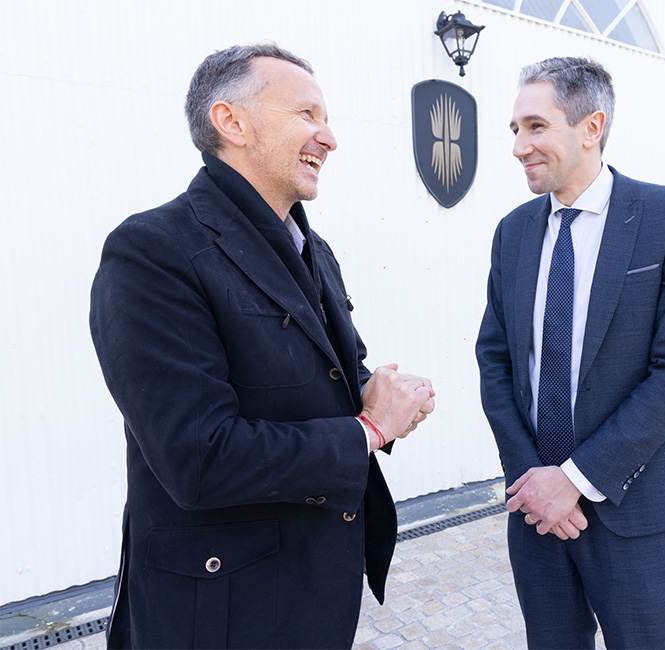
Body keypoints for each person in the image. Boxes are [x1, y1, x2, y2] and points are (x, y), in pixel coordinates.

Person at [90, 43, 435, 649]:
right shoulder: (153, 252)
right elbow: (198, 459)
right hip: (221, 611)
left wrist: (382, 398)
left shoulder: (312, 247)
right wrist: (369, 431)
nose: (329, 138)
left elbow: (329, 382)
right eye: (307, 115)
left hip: (313, 589)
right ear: (231, 122)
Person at [475, 57, 665, 649]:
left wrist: (576, 480)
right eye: (514, 130)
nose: (519, 146)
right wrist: (535, 481)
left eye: (534, 126)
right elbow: (496, 360)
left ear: (591, 126)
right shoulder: (513, 232)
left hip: (635, 514)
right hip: (536, 516)